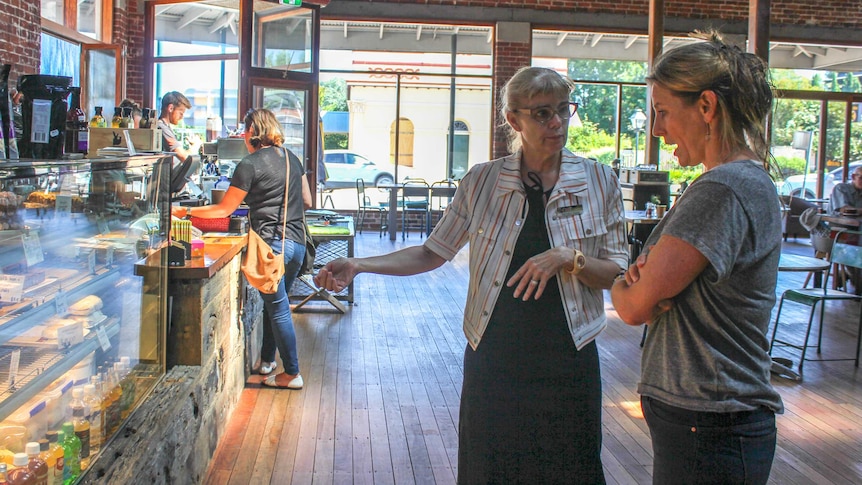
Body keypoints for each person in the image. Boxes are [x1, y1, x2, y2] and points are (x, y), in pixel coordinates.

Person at [314, 66, 628, 483]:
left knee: (572, 467)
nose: (557, 123)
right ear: (514, 120)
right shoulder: (483, 180)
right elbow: (432, 251)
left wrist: (568, 258)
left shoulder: (598, 180)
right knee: (489, 466)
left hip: (569, 353)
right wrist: (359, 264)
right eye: (542, 114)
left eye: (562, 111)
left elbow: (617, 274)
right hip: (496, 352)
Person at [610, 30, 784, 484]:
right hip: (709, 419)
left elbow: (633, 307)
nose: (656, 128)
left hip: (711, 422)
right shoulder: (739, 183)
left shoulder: (722, 190)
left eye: (663, 111)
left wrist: (623, 284)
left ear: (706, 107)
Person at [171, 108, 312, 389]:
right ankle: (268, 361)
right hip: (297, 243)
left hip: (272, 245)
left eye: (244, 131)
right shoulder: (292, 159)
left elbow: (225, 209)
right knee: (275, 305)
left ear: (251, 132)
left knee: (279, 308)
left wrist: (184, 211)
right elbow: (306, 200)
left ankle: (292, 373)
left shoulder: (249, 164)